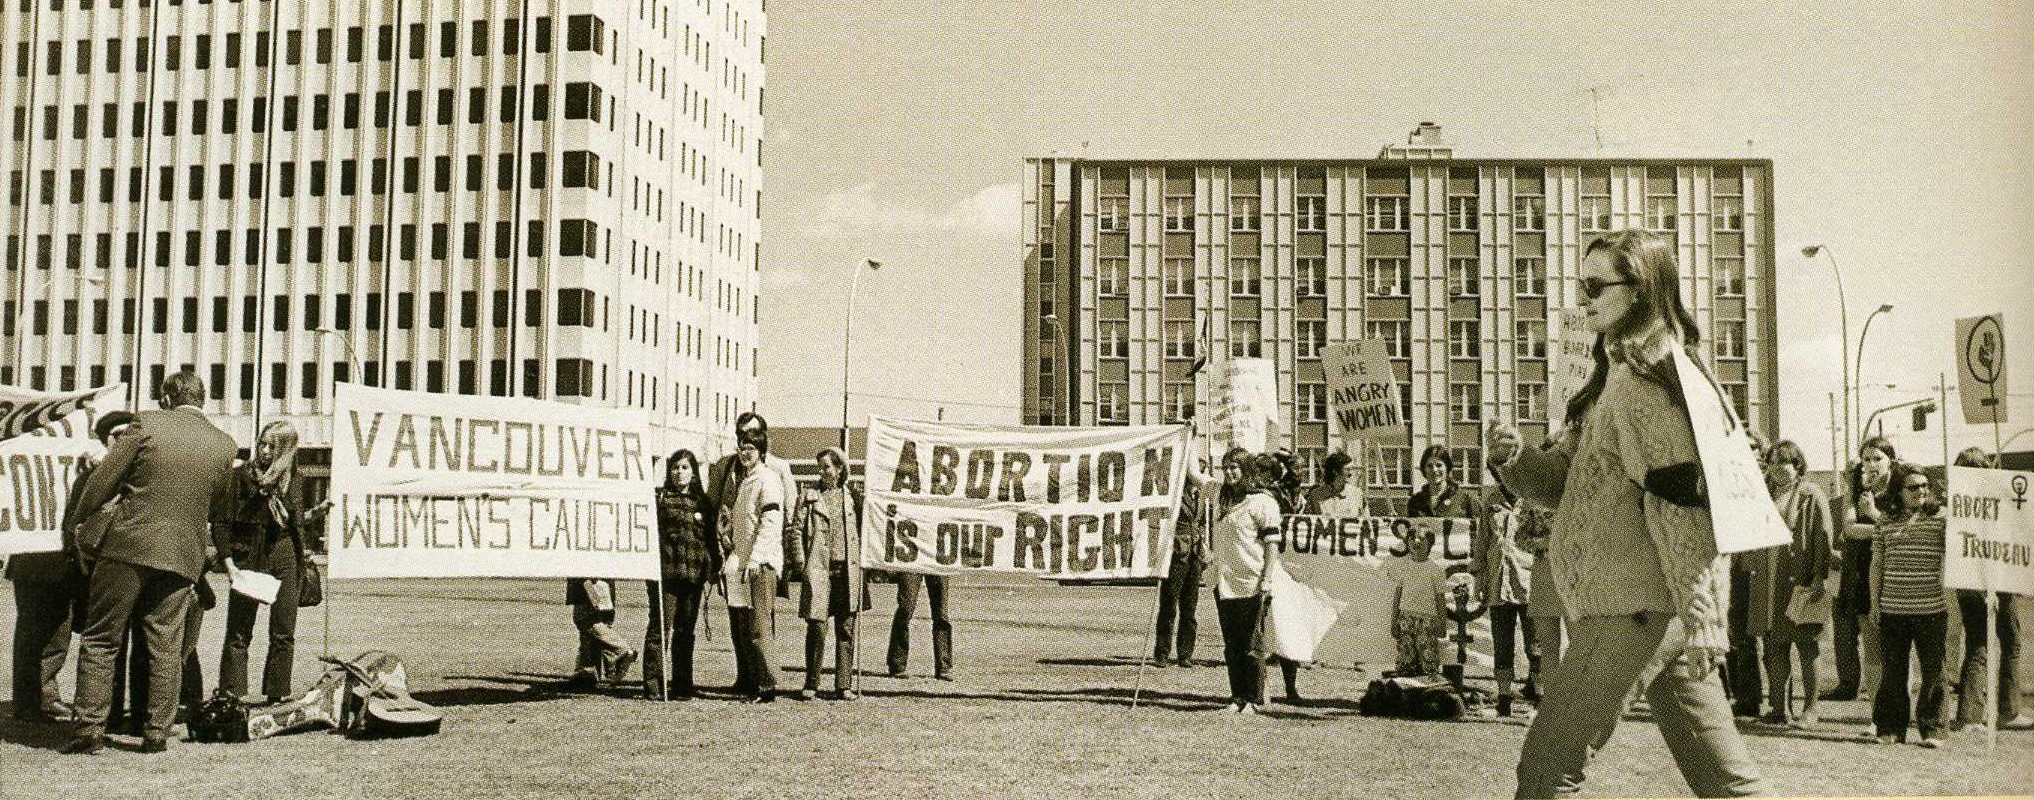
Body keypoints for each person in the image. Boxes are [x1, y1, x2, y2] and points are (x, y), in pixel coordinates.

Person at [1490, 229, 1764, 798]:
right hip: (1645, 609)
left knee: (1546, 769)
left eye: (1596, 285)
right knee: (1727, 784)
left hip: (1633, 609)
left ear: (1639, 289)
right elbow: (1569, 484)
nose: (1584, 297)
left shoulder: (1647, 377)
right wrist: (1516, 460)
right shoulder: (1617, 374)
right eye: (1581, 284)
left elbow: (1682, 502)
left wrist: (1704, 614)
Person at [66, 370, 237, 755]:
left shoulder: (146, 423)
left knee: (100, 638)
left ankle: (89, 730)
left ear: (167, 397)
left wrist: (80, 519)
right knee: (165, 644)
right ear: (203, 399)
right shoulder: (225, 445)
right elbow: (219, 506)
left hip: (127, 546)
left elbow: (104, 479)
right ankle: (156, 732)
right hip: (182, 555)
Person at [8, 413, 132, 724]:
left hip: (72, 566)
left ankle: (47, 697)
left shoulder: (116, 468)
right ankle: (29, 702)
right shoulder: (86, 462)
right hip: (38, 562)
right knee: (36, 634)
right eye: (118, 435)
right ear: (103, 438)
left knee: (61, 635)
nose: (123, 442)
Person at [216, 421, 310, 702]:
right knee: (239, 630)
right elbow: (221, 523)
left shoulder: (293, 480)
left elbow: (295, 524)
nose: (265, 451)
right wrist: (229, 563)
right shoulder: (240, 476)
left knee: (283, 631)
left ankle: (278, 693)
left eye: (273, 446)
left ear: (286, 450)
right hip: (249, 556)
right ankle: (232, 692)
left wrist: (310, 523)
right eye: (262, 443)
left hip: (284, 555)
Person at [1747, 440, 1835, 728]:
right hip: (1769, 578)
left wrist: (1820, 576)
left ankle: (1810, 709)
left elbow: (1823, 536)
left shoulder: (1811, 494)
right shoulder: (1764, 493)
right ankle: (1777, 708)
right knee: (1774, 646)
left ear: (1797, 466)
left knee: (1807, 644)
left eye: (1783, 463)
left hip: (1800, 579)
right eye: (1772, 463)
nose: (1777, 469)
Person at [1189, 448, 1284, 714]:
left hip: (1252, 581)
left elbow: (1272, 546)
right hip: (1225, 581)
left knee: (1252, 645)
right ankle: (1237, 697)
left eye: (1235, 467)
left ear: (1247, 470)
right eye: (1226, 467)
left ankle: (1253, 700)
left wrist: (1267, 578)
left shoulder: (1262, 503)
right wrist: (1189, 437)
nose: (1230, 472)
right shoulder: (1221, 495)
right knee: (1232, 645)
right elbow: (1194, 476)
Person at [1946, 447, 2031, 731]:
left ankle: (1970, 715)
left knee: (1978, 645)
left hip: (1971, 584)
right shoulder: (1993, 503)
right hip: (1991, 581)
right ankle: (2005, 711)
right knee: (2006, 643)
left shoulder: (1957, 504)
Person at [1870, 461, 1950, 747]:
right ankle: (1890, 728)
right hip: (1893, 608)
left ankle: (1933, 730)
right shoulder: (1885, 520)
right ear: (1899, 491)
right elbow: (1877, 564)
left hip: (1932, 609)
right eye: (1914, 487)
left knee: (1933, 670)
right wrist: (1874, 602)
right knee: (1893, 670)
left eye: (1925, 486)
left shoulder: (1942, 518)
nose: (1921, 491)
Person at [1474, 426, 1541, 717]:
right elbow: (1481, 541)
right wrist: (1478, 575)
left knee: (1535, 641)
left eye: (1507, 465)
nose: (1503, 472)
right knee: (1502, 642)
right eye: (1497, 467)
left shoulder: (1533, 498)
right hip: (1498, 580)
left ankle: (1539, 695)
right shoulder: (1490, 502)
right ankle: (1504, 699)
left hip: (1528, 580)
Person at [644, 449, 718, 701]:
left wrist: (712, 567)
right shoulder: (660, 499)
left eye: (685, 467)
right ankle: (654, 684)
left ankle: (683, 684)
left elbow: (710, 540)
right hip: (665, 575)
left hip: (693, 576)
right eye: (675, 467)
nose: (679, 473)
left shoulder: (703, 503)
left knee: (686, 631)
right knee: (660, 628)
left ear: (694, 472)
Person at [1826, 436, 1896, 702]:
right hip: (1862, 571)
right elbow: (1849, 528)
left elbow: (1905, 529)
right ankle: (1878, 710)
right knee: (1870, 640)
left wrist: (1875, 516)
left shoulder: (1901, 488)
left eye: (1878, 458)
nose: (1871, 464)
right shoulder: (1858, 492)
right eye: (1866, 459)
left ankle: (1898, 706)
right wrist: (1883, 527)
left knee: (1896, 645)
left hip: (1895, 570)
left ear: (1891, 460)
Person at [798, 448, 870, 700]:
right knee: (816, 628)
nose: (822, 471)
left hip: (846, 573)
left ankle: (844, 685)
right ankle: (811, 683)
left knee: (846, 629)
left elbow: (868, 531)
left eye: (827, 466)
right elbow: (795, 530)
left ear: (840, 469)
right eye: (820, 466)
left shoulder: (854, 499)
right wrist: (801, 564)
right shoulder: (809, 495)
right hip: (818, 571)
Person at [723, 436, 785, 702]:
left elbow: (770, 522)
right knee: (743, 627)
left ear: (761, 451)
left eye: (751, 449)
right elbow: (744, 524)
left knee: (759, 625)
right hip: (741, 562)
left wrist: (756, 559)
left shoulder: (768, 479)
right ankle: (750, 681)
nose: (745, 453)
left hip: (760, 564)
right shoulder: (745, 481)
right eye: (742, 448)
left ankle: (767, 686)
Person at [1153, 468, 1208, 668]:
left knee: (1190, 609)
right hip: (1176, 554)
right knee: (1168, 606)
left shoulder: (1200, 496)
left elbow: (1201, 523)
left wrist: (1203, 545)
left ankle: (1185, 653)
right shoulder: (1174, 493)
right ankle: (1162, 652)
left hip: (1194, 555)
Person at [1385, 527, 1447, 679]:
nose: (1416, 541)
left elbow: (1440, 599)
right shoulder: (1404, 567)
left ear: (1430, 543)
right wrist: (1394, 621)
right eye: (1412, 539)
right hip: (1405, 619)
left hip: (1427, 620)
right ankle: (1406, 691)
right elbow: (1397, 596)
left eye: (1421, 538)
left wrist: (1442, 623)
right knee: (1405, 656)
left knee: (1428, 656)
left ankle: (1431, 690)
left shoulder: (1435, 569)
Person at [564, 578, 636, 690]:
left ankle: (620, 651)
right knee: (598, 623)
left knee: (585, 619)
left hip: (589, 580)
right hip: (600, 581)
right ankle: (589, 673)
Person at [886, 572, 953, 680]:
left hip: (938, 562)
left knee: (941, 614)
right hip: (912, 563)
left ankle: (944, 666)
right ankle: (897, 663)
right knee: (905, 609)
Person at [1409, 445, 1482, 522]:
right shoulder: (1415, 501)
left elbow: (1480, 529)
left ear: (1447, 468)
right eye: (1429, 466)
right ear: (1424, 470)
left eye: (1439, 465)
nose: (1434, 470)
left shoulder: (1467, 499)